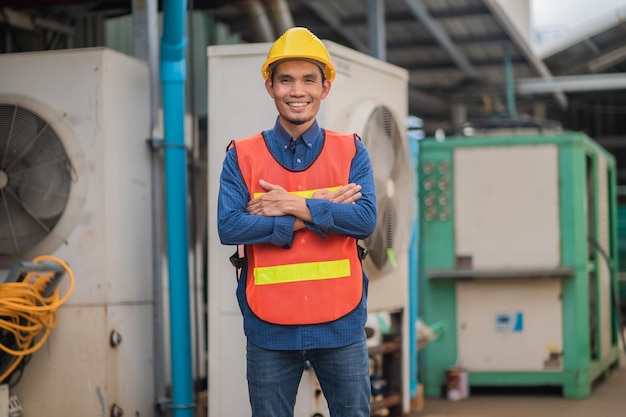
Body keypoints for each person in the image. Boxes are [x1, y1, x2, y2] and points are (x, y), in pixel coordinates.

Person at [217, 26, 377, 417]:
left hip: (341, 322)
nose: (297, 90)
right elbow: (230, 228)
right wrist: (317, 211)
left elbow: (365, 219)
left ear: (325, 87)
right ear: (270, 86)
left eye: (309, 79)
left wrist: (290, 206)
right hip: (269, 326)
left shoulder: (351, 150)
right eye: (286, 80)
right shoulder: (242, 155)